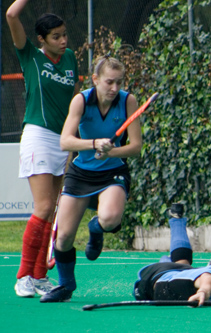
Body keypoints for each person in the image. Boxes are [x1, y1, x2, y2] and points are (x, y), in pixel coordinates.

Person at [40, 55, 142, 302]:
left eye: (119, 82)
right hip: (81, 172)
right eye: (109, 82)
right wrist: (94, 143)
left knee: (109, 219)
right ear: (95, 79)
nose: (114, 88)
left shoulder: (128, 101)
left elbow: (136, 146)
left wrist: (111, 151)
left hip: (112, 171)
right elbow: (66, 141)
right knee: (63, 238)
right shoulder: (81, 101)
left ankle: (95, 229)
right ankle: (65, 286)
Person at [6, 0, 80, 297]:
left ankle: (38, 276)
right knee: (44, 206)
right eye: (56, 37)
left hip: (63, 139)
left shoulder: (72, 58)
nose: (63, 41)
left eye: (64, 35)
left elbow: (75, 100)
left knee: (52, 213)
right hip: (37, 135)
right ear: (41, 39)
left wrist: (74, 142)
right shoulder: (30, 56)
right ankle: (23, 275)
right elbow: (11, 14)